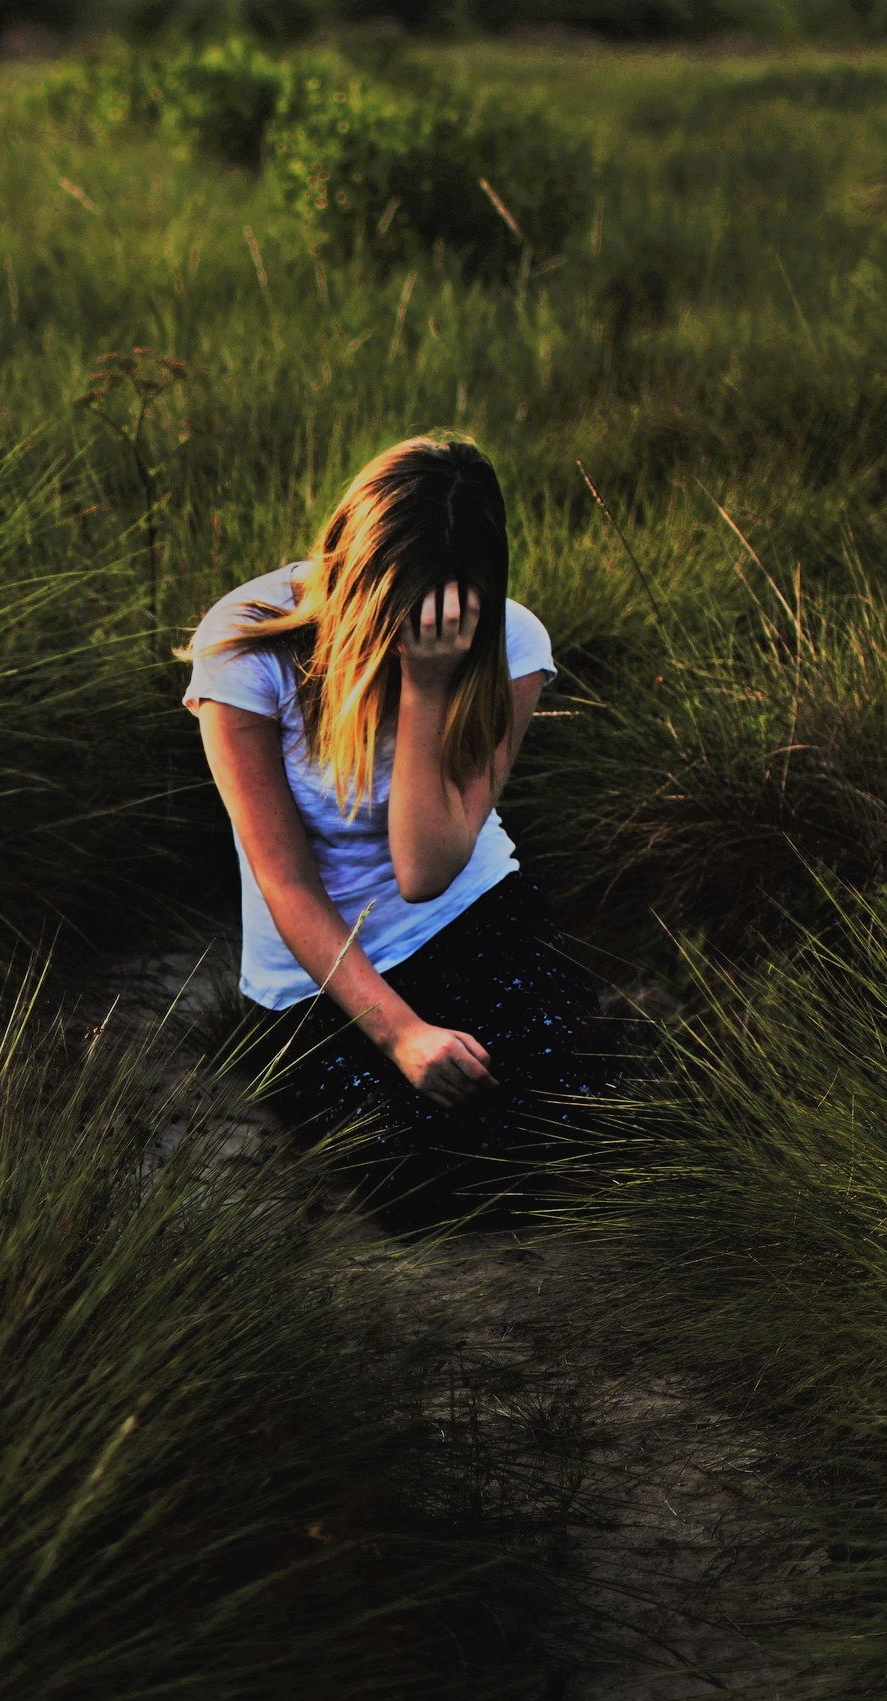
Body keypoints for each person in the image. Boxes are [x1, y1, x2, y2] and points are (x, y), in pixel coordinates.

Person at [180, 434, 606, 1227]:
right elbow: (286, 882)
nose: (403, 629)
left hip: (468, 917)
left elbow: (425, 870)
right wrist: (405, 1034)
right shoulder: (246, 644)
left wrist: (427, 684)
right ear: (349, 566)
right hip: (318, 976)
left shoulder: (508, 644)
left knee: (559, 1152)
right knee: (420, 1199)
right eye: (390, 607)